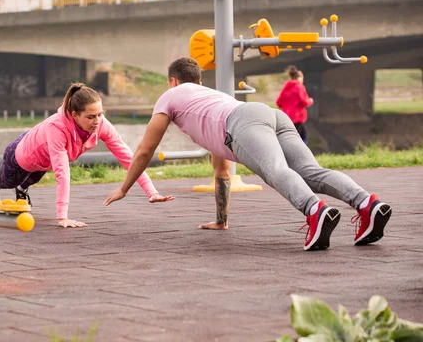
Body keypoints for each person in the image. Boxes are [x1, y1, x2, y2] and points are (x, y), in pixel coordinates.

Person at [104, 57, 392, 251]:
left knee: (275, 171)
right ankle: (367, 203)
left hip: (243, 124)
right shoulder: (209, 98)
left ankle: (316, 211)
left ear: (172, 81)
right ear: (198, 80)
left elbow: (144, 149)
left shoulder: (170, 97)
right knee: (311, 172)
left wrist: (125, 187)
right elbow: (221, 168)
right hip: (267, 114)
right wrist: (221, 220)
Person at [0, 83, 173, 228]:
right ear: (74, 115)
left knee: (35, 175)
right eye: (91, 117)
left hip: (41, 158)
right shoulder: (58, 128)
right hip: (21, 154)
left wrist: (151, 192)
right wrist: (63, 216)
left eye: (100, 114)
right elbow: (62, 172)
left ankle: (22, 188)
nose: (97, 121)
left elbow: (130, 158)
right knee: (7, 180)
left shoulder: (102, 126)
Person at [276, 65, 314, 144]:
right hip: (297, 117)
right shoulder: (299, 87)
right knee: (301, 138)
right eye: (302, 78)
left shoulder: (286, 87)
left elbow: (279, 102)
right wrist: (310, 101)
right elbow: (303, 101)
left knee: (290, 137)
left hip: (287, 118)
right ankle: (301, 154)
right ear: (299, 78)